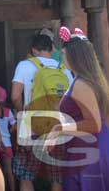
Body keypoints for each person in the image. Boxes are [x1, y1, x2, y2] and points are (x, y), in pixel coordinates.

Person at [46, 27, 109, 190]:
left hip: (88, 152)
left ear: (75, 57)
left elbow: (94, 124)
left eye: (64, 55)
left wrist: (59, 128)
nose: (62, 58)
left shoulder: (81, 84)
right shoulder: (86, 81)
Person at [11, 30, 74, 191]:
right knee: (56, 176)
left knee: (26, 175)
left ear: (33, 50)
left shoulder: (25, 65)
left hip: (31, 123)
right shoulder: (64, 69)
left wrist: (22, 112)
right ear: (51, 49)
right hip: (57, 124)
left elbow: (15, 96)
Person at [0, 84, 16, 191]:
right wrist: (8, 132)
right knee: (9, 170)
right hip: (7, 143)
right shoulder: (7, 111)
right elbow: (15, 125)